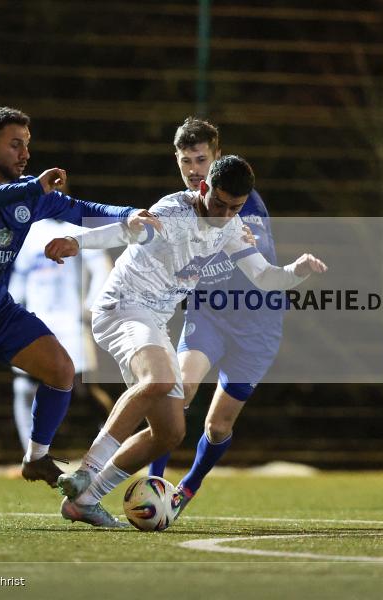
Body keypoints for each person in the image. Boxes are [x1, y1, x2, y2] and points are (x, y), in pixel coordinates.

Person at [44, 155, 327, 527]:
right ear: (204, 188)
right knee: (158, 380)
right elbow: (128, 231)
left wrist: (297, 271)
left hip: (154, 321)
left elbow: (264, 276)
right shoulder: (173, 211)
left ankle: (86, 500)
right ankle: (86, 470)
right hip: (122, 307)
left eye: (235, 208)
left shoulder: (229, 226)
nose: (225, 214)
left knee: (170, 432)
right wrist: (75, 241)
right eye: (220, 203)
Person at [0, 106, 159, 528]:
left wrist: (127, 214)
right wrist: (31, 190)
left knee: (61, 369)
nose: (25, 153)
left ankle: (37, 457)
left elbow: (78, 207)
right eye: (15, 144)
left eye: (27, 144)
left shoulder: (27, 191)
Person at [145, 117, 282, 517]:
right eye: (186, 160)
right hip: (208, 316)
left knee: (217, 427)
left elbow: (260, 268)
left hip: (257, 326)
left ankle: (187, 488)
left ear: (217, 157)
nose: (193, 169)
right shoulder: (178, 206)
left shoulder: (243, 201)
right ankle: (154, 484)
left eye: (201, 159)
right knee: (177, 393)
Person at [8, 218, 115, 452]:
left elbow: (102, 269)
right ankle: (31, 455)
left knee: (83, 389)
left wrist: (90, 307)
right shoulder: (30, 232)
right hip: (36, 320)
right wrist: (12, 312)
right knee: (24, 386)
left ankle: (112, 448)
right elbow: (19, 277)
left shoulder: (78, 228)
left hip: (71, 321)